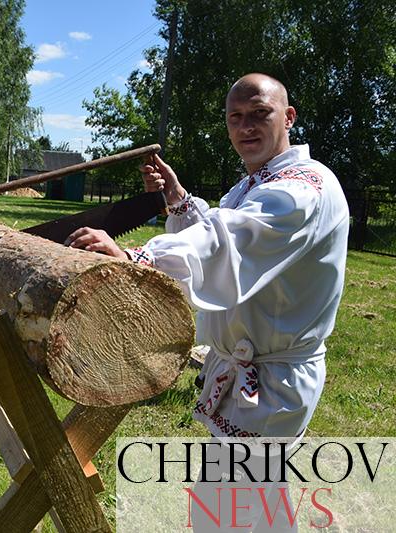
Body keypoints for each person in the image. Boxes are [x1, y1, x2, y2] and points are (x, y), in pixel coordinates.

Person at [66, 72, 349, 441]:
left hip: (272, 385)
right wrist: (177, 198)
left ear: (289, 117)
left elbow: (229, 243)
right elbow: (218, 229)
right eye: (236, 117)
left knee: (235, 495)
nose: (245, 126)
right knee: (237, 496)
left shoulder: (302, 189)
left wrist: (138, 259)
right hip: (247, 375)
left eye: (259, 113)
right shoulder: (254, 184)